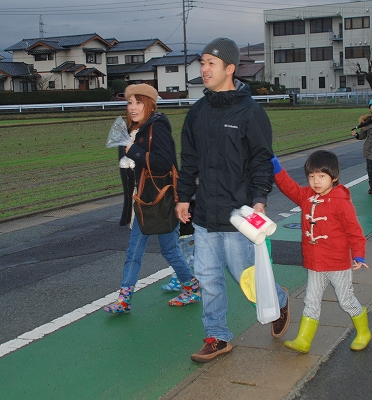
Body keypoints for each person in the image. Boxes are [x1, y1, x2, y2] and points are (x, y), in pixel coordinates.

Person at [175, 37, 290, 363]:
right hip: (204, 214)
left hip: (238, 212)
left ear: (230, 68)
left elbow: (261, 160)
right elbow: (190, 161)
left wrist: (259, 199)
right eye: (202, 63)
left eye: (211, 63)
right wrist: (184, 197)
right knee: (207, 278)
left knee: (246, 278)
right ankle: (216, 337)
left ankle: (279, 299)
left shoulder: (250, 112)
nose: (204, 68)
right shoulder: (197, 112)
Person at [104, 83, 201, 314]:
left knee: (151, 251)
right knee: (150, 251)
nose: (133, 107)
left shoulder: (156, 127)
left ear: (149, 105)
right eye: (130, 103)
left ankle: (126, 300)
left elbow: (164, 162)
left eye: (139, 102)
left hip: (157, 202)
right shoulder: (133, 130)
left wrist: (133, 152)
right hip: (144, 201)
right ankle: (190, 286)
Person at [271, 150, 371, 353]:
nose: (316, 181)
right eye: (311, 176)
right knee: (311, 300)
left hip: (337, 264)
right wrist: (277, 168)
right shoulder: (307, 196)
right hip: (315, 263)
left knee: (346, 300)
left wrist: (358, 253)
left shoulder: (341, 201)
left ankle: (364, 332)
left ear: (334, 177)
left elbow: (354, 231)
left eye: (321, 176)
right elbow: (290, 188)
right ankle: (304, 340)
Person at [351, 99, 372, 194]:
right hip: (369, 151)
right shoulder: (367, 122)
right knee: (370, 170)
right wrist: (356, 135)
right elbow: (362, 135)